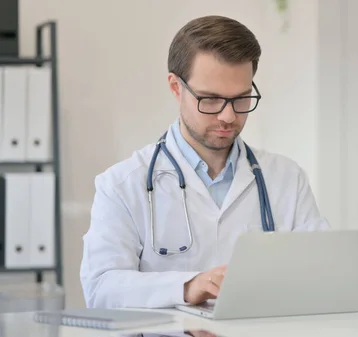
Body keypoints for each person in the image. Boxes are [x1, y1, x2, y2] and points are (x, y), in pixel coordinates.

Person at [80, 15, 329, 309]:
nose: (228, 116)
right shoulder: (122, 185)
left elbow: (320, 274)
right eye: (210, 99)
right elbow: (101, 288)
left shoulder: (286, 178)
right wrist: (187, 287)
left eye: (241, 98)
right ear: (176, 87)